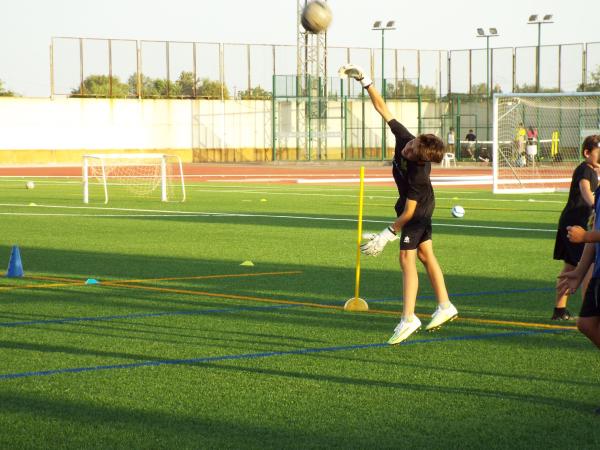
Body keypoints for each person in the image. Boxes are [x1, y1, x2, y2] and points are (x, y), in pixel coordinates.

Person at [339, 63, 458, 345]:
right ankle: (445, 305)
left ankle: (408, 318)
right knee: (426, 255)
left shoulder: (419, 174)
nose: (407, 148)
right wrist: (365, 81)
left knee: (406, 257)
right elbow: (383, 109)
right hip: (414, 208)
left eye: (413, 151)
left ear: (421, 159)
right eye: (412, 144)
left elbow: (410, 212)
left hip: (416, 212)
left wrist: (387, 234)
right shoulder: (406, 137)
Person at [552, 135, 600, 320]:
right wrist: (595, 203)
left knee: (570, 267)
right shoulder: (585, 171)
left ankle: (559, 310)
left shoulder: (589, 169)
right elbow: (586, 191)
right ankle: (590, 314)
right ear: (587, 153)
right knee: (590, 266)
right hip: (576, 225)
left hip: (570, 222)